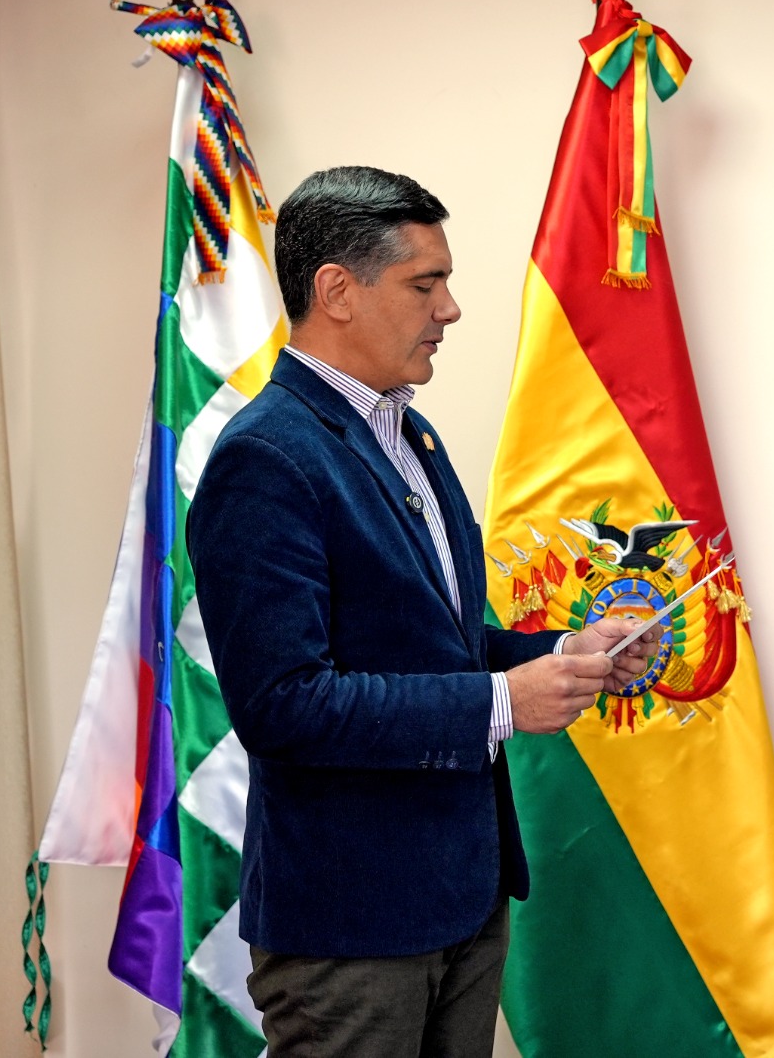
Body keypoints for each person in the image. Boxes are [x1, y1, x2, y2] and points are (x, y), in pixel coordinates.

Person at [187, 165, 657, 1058]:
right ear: (337, 292)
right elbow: (283, 703)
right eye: (424, 282)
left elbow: (432, 641)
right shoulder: (267, 459)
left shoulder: (411, 434)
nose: (450, 309)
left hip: (463, 899)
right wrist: (506, 702)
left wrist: (565, 649)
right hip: (350, 928)